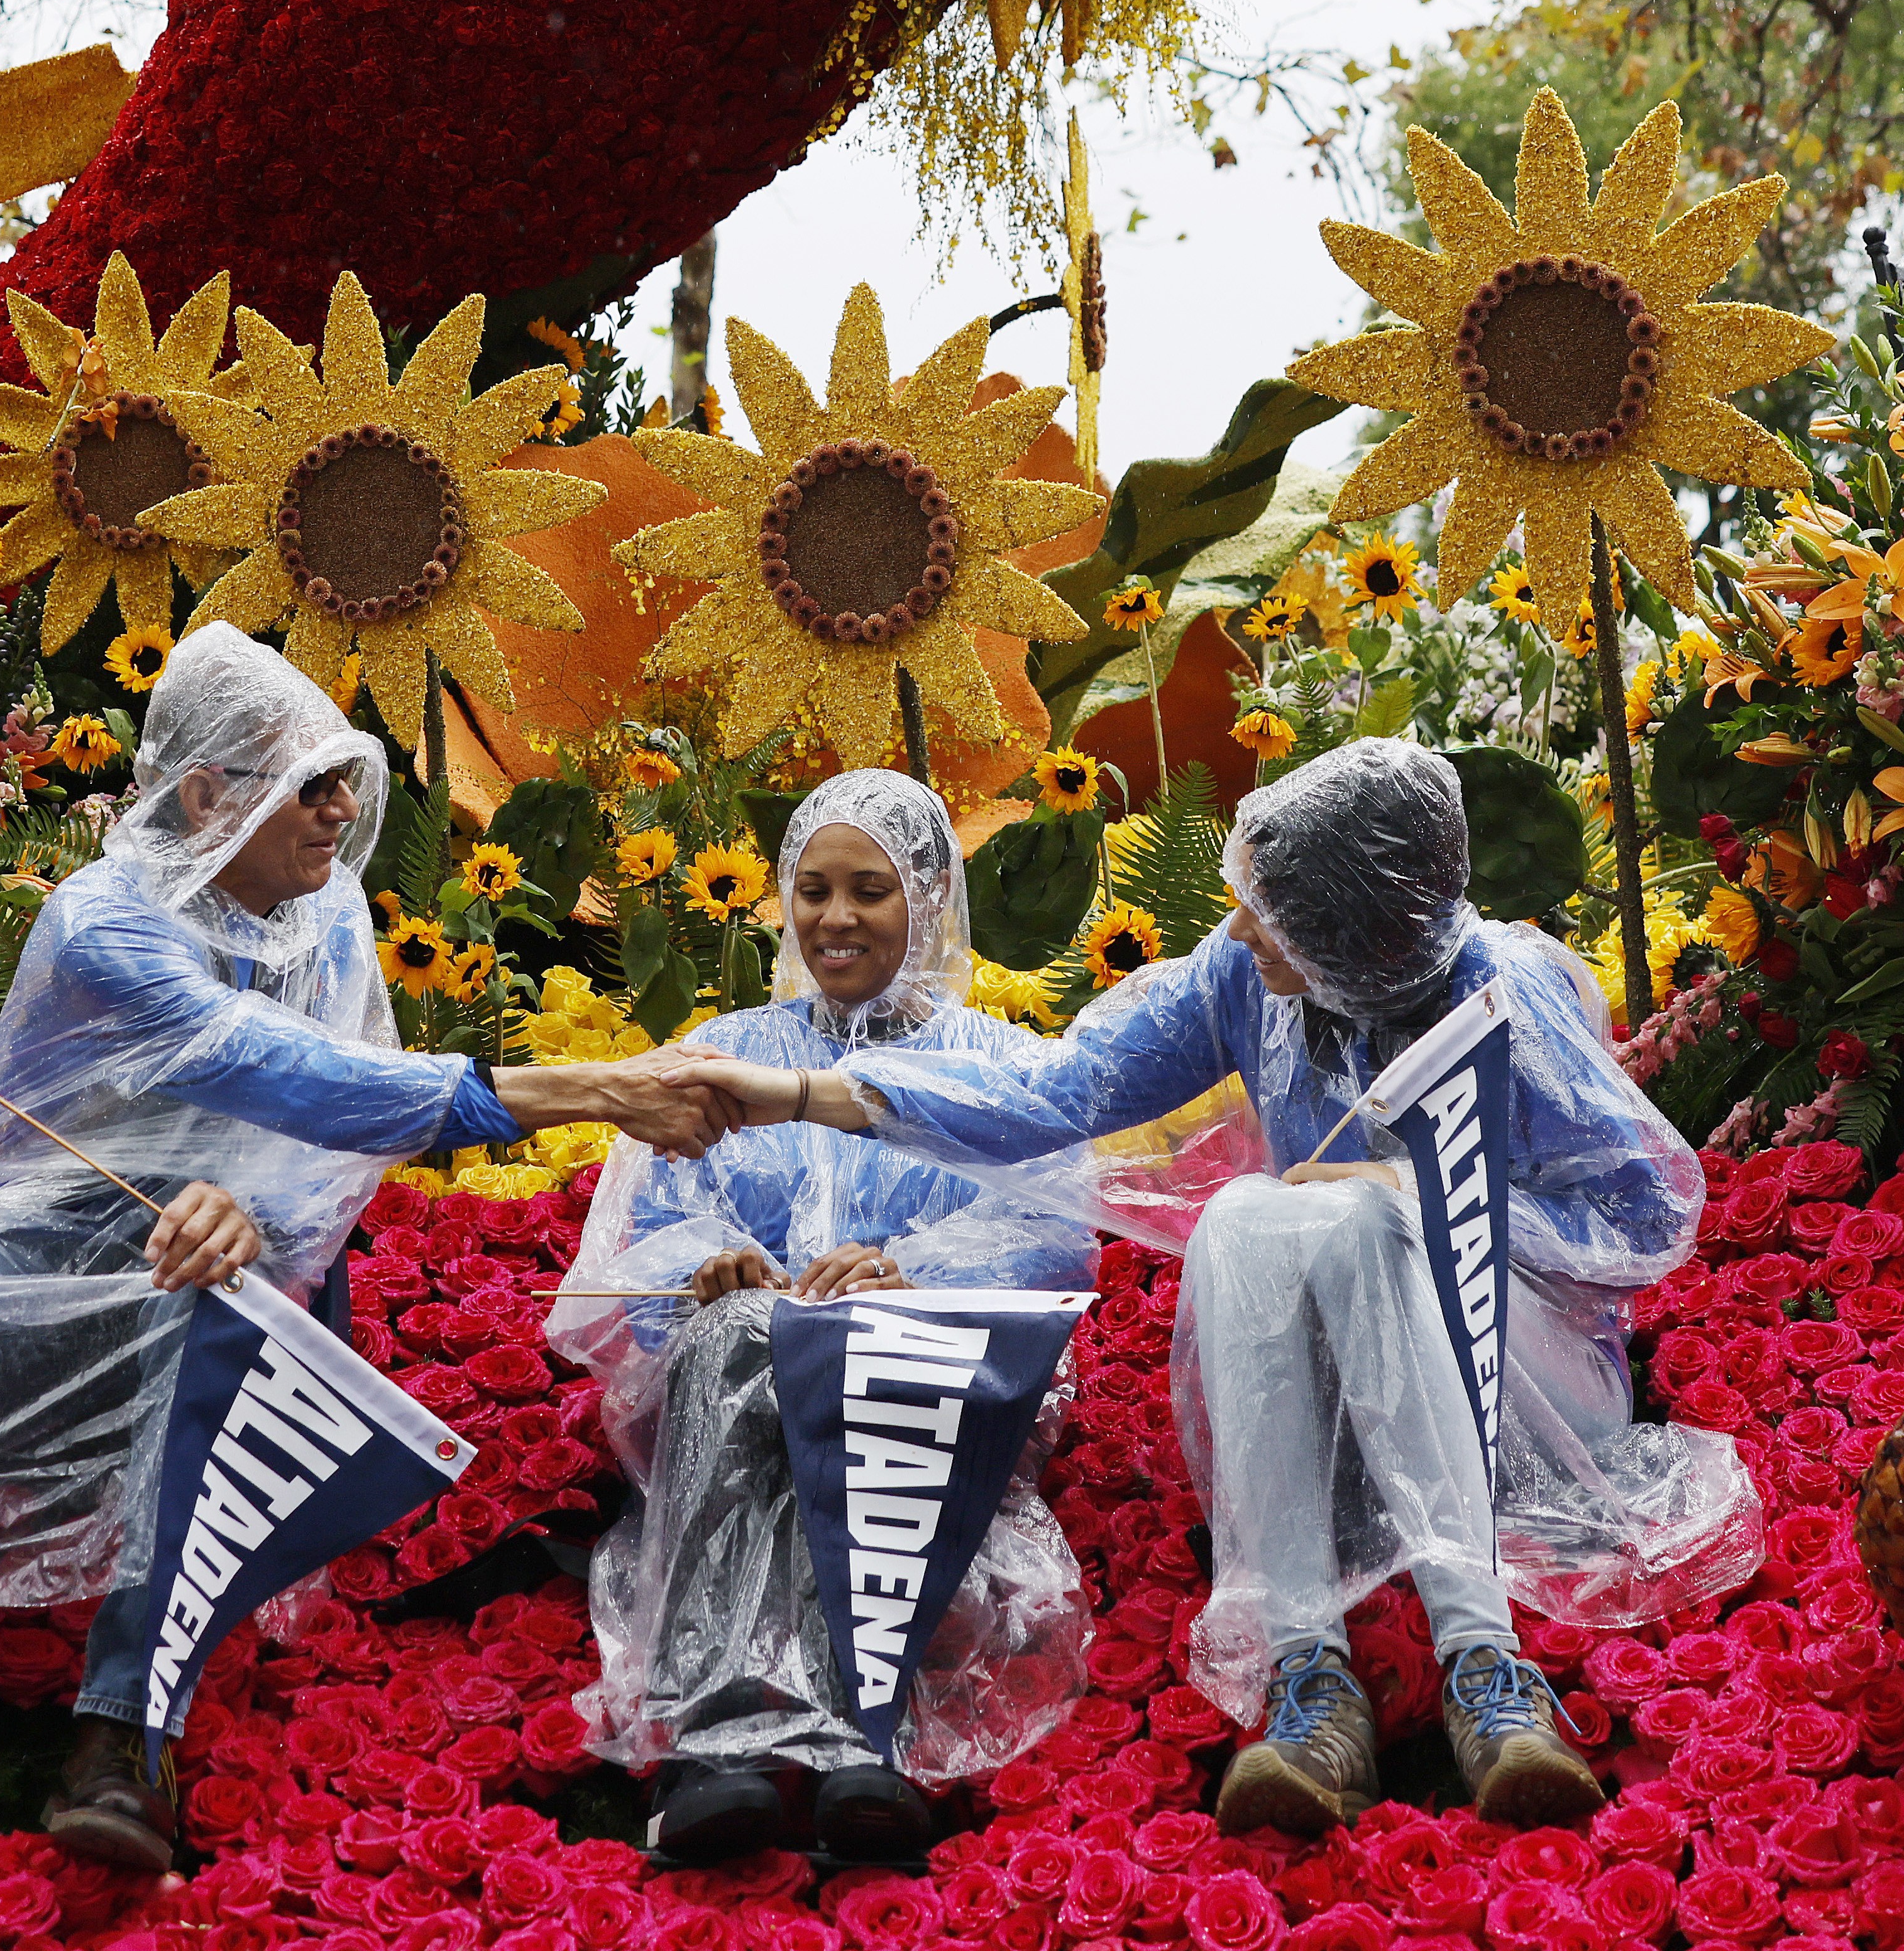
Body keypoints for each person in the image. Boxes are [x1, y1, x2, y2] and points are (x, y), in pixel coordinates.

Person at [0, 627, 749, 1884]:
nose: (339, 810)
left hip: (247, 1248)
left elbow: (341, 1117)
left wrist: (252, 1214)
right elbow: (278, 1068)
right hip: (58, 1226)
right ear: (209, 792)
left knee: (224, 1307)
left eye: (343, 779)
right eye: (308, 781)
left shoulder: (324, 915)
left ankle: (127, 1726)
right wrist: (597, 1085)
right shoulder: (106, 919)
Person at [730, 739, 1756, 1838]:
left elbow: (1644, 1216)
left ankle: (1485, 1668)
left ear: (1354, 925)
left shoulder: (1511, 990)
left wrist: (1426, 1190)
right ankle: (1310, 1673)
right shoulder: (1245, 978)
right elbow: (1059, 1088)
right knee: (1244, 1211)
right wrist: (803, 1090)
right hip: (1336, 1414)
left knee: (1361, 1211)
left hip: (1528, 1392)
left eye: (1267, 912)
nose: (1237, 931)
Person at [549, 772, 1099, 1870]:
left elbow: (1050, 1239)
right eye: (812, 890)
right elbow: (643, 1238)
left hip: (928, 1368)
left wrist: (909, 1273)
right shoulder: (720, 1050)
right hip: (735, 1376)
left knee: (839, 1355)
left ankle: (855, 1728)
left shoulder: (999, 1066)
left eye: (868, 890)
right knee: (741, 1339)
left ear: (930, 895)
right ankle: (721, 1746)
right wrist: (710, 1270)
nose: (835, 918)